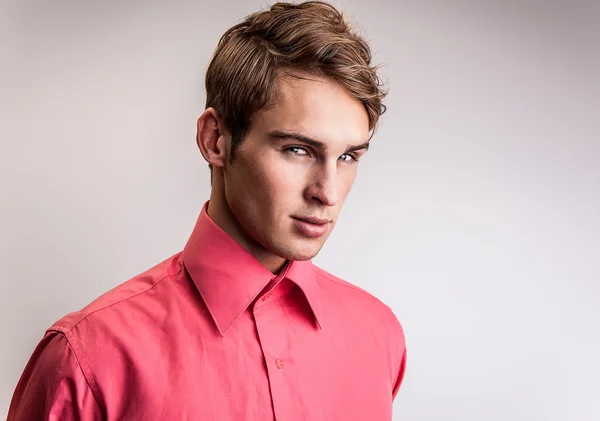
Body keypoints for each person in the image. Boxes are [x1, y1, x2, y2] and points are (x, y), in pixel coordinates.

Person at [7, 1, 406, 420]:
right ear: (216, 139)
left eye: (348, 157)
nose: (327, 192)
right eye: (298, 149)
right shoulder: (87, 357)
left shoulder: (378, 335)